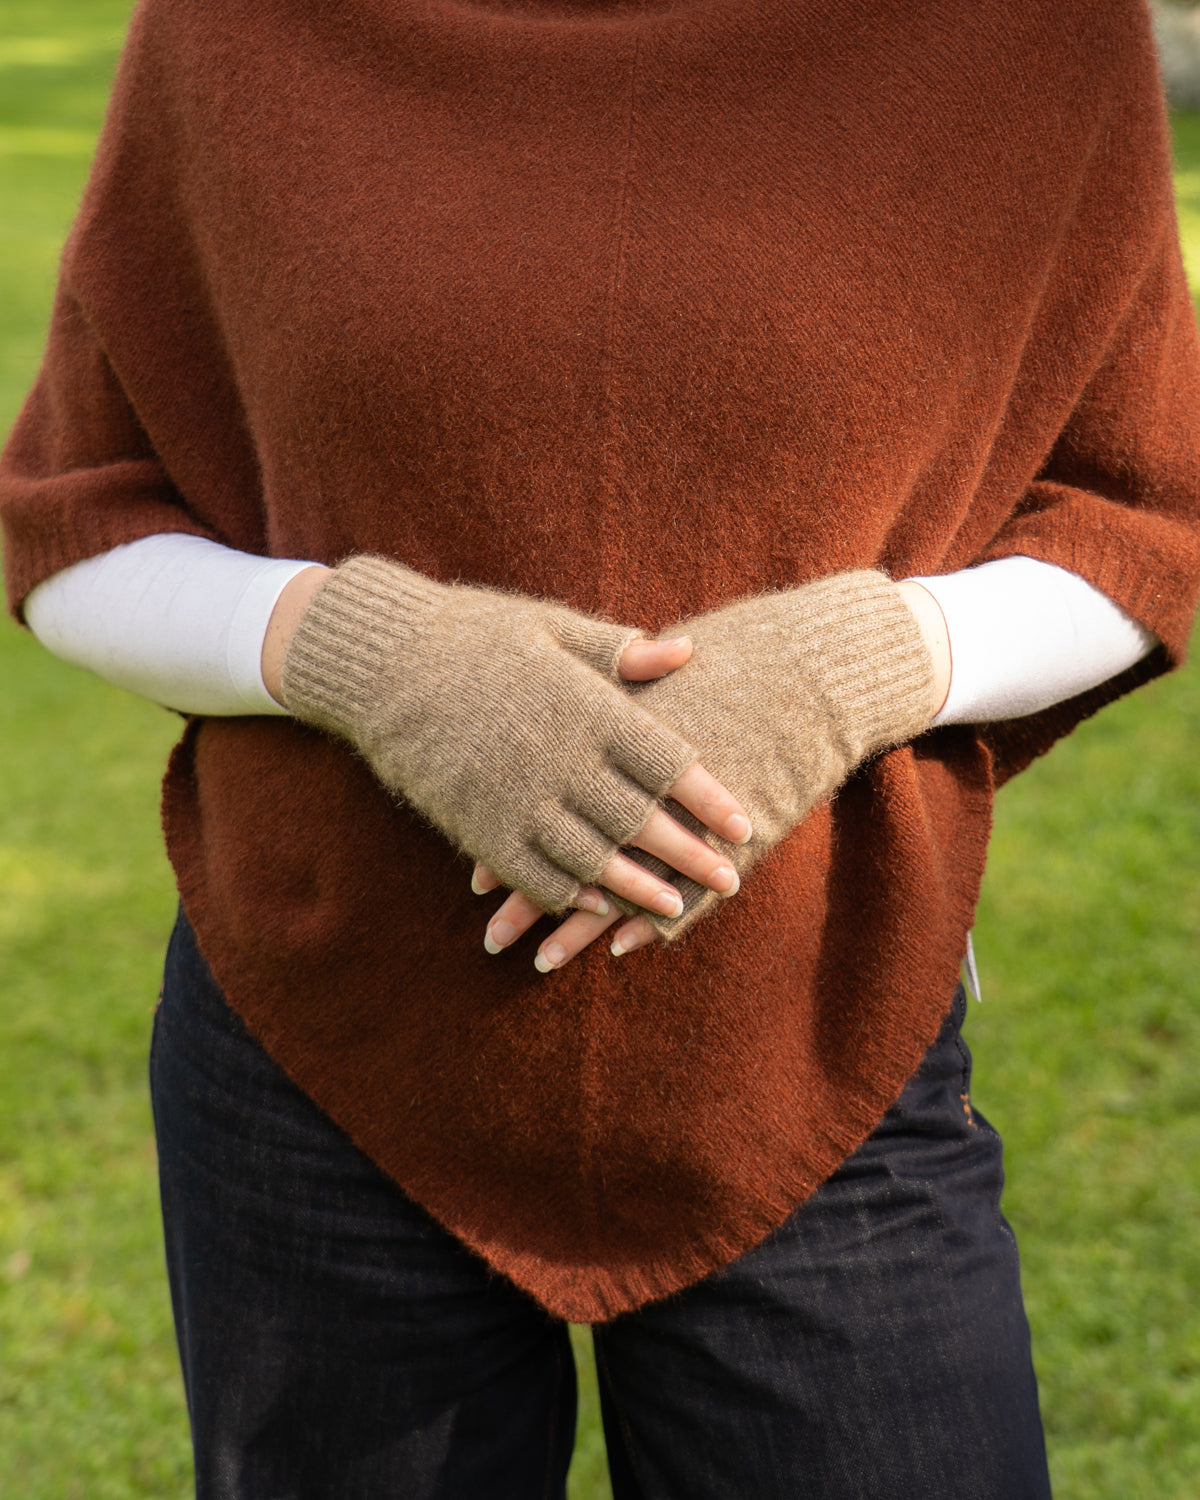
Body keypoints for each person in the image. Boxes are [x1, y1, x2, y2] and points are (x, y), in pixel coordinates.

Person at [3, 1, 1199, 1495]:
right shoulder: (234, 30)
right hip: (323, 1053)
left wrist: (855, 667)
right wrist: (381, 661)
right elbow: (75, 523)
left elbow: (1136, 522)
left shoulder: (1029, 39)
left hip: (826, 1037)